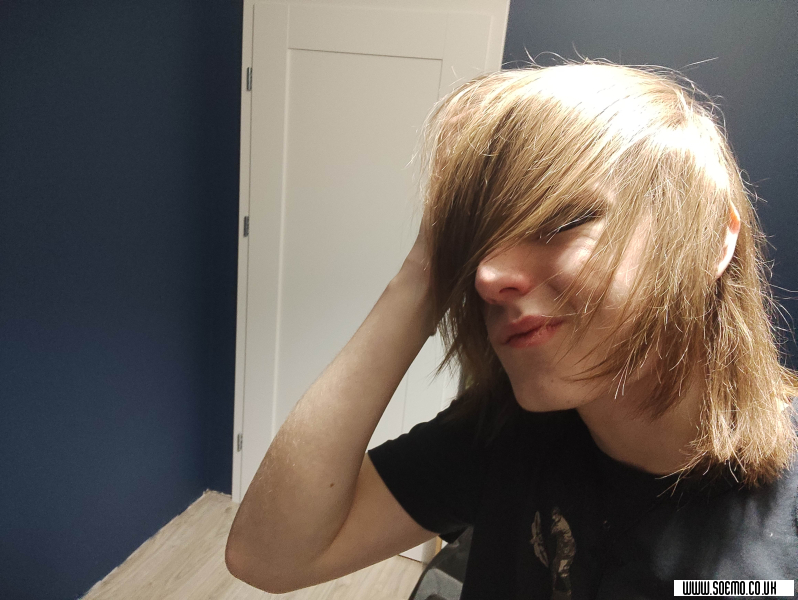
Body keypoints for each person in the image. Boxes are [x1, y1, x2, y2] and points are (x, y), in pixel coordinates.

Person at [224, 60, 798, 599]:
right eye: (478, 246)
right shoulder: (507, 437)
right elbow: (269, 556)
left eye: (563, 219)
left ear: (710, 237)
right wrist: (425, 272)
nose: (486, 276)